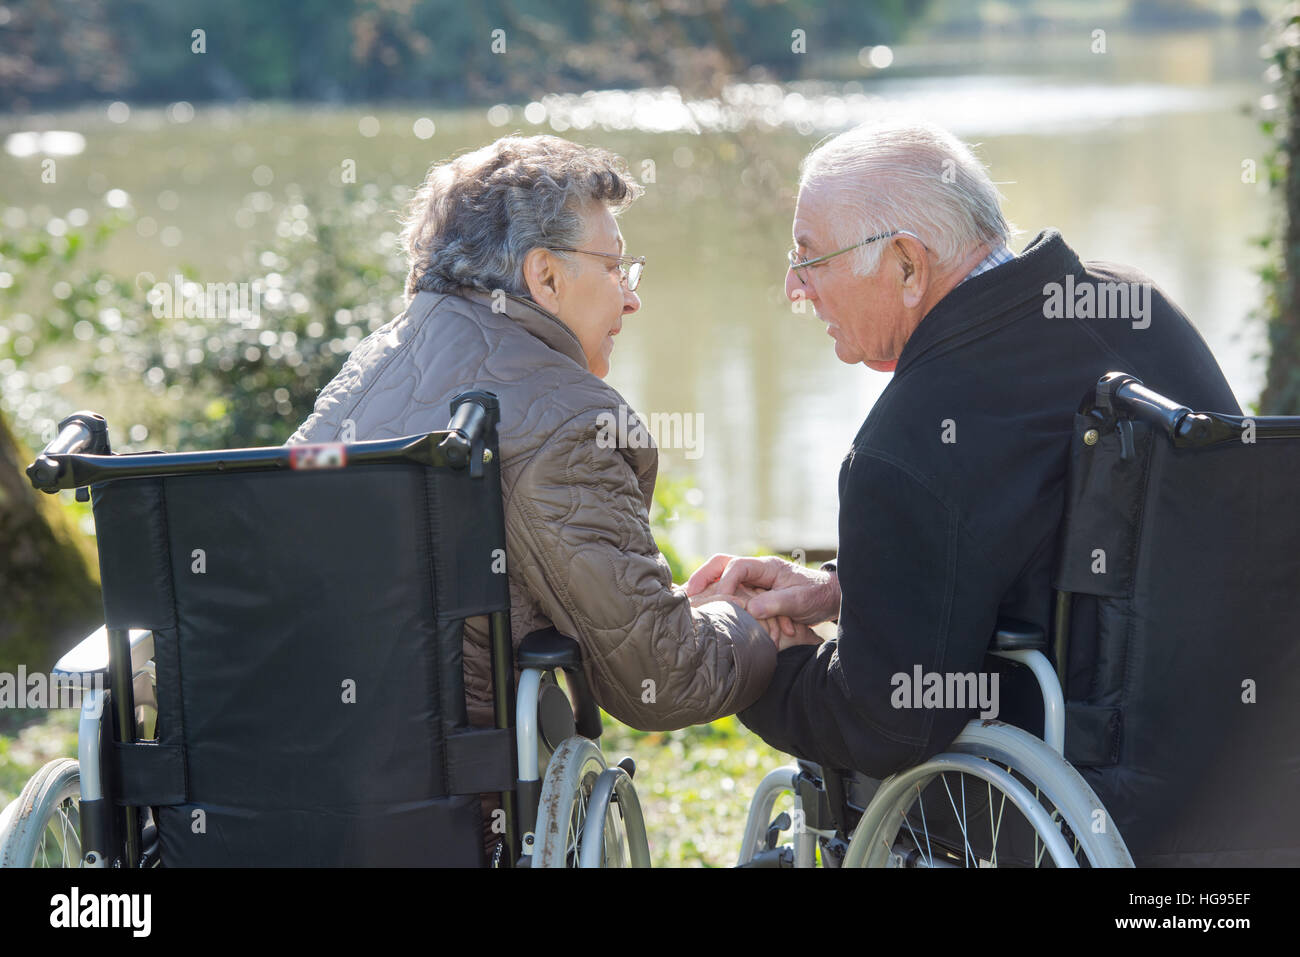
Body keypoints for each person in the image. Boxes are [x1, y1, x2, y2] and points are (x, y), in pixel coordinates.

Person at [288, 134, 817, 861]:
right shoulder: (567, 420)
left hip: (276, 802)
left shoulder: (360, 378)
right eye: (615, 265)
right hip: (458, 819)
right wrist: (752, 622)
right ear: (545, 276)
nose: (631, 295)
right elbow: (662, 677)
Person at [685, 117, 1240, 783]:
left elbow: (881, 725)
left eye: (809, 258)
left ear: (908, 265)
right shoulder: (1135, 303)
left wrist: (763, 657)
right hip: (1247, 759)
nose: (795, 288)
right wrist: (840, 587)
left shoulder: (907, 442)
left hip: (1085, 790)